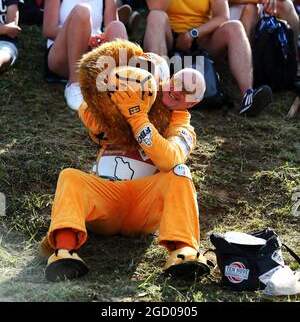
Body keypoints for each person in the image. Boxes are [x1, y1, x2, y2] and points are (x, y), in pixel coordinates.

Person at [39, 47, 210, 282]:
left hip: (143, 205)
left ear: (193, 103)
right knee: (70, 176)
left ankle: (183, 252)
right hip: (105, 198)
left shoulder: (183, 127)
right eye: (176, 82)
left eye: (186, 91)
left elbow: (170, 158)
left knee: (180, 173)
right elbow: (92, 122)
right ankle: (64, 251)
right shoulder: (134, 94)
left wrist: (137, 117)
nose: (177, 90)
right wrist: (111, 101)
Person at [143, 0, 273, 117]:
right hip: (168, 38)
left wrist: (193, 33)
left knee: (234, 27)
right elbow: (155, 5)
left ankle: (248, 95)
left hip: (201, 40)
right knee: (155, 16)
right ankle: (158, 92)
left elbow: (222, 16)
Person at [42, 0, 128, 111]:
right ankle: (74, 84)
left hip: (92, 56)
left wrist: (97, 38)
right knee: (82, 11)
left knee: (118, 26)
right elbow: (48, 30)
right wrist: (83, 35)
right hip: (61, 56)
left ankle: (117, 85)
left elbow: (110, 35)